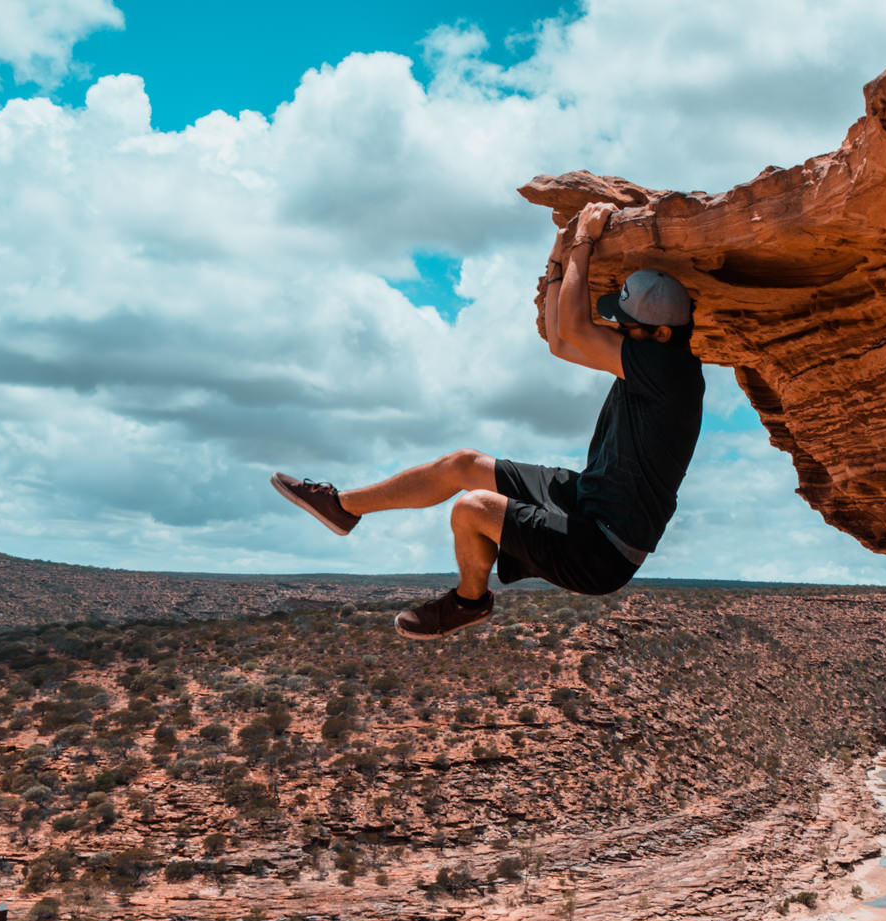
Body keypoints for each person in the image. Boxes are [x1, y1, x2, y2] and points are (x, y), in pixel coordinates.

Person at [270, 202, 704, 640]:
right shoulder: (652, 358)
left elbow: (573, 332)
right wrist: (558, 260)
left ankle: (469, 601)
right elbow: (559, 342)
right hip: (586, 498)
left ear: (662, 336)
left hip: (603, 549)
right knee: (463, 464)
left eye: (625, 326)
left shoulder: (671, 372)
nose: (614, 332)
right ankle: (342, 506)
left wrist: (584, 242)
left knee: (471, 507)